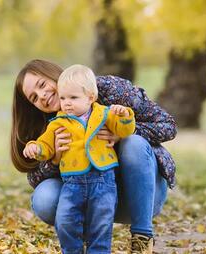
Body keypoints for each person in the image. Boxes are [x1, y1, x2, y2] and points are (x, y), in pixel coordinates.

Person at [10, 59, 177, 253]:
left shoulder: (105, 89)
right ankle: (89, 242)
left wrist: (123, 134)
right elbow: (34, 177)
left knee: (134, 144)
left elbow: (168, 125)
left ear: (54, 74)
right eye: (34, 98)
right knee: (44, 198)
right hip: (89, 196)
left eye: (42, 85)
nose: (42, 96)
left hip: (142, 195)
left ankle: (142, 236)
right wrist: (54, 157)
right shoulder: (50, 123)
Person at [23, 64, 136, 253]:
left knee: (101, 222)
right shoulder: (58, 123)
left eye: (73, 98)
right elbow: (46, 146)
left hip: (103, 180)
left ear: (90, 97)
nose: (66, 103)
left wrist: (125, 116)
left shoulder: (103, 114)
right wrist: (35, 147)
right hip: (72, 183)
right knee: (65, 219)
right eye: (63, 98)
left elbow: (125, 130)